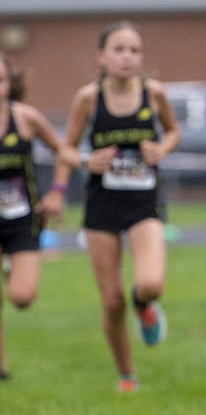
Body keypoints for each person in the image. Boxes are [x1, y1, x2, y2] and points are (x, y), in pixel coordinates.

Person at [58, 21, 181, 392]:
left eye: (134, 50)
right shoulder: (88, 98)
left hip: (144, 203)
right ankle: (126, 374)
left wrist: (162, 149)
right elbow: (66, 147)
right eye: (119, 49)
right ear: (102, 56)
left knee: (151, 283)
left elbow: (172, 131)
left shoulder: (153, 93)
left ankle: (142, 304)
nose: (127, 57)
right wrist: (84, 161)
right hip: (102, 208)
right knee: (111, 302)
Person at [0, 53, 68, 381]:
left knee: (21, 297)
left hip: (21, 218)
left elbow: (64, 151)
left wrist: (56, 192)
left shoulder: (25, 118)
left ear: (9, 84)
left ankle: (11, 270)